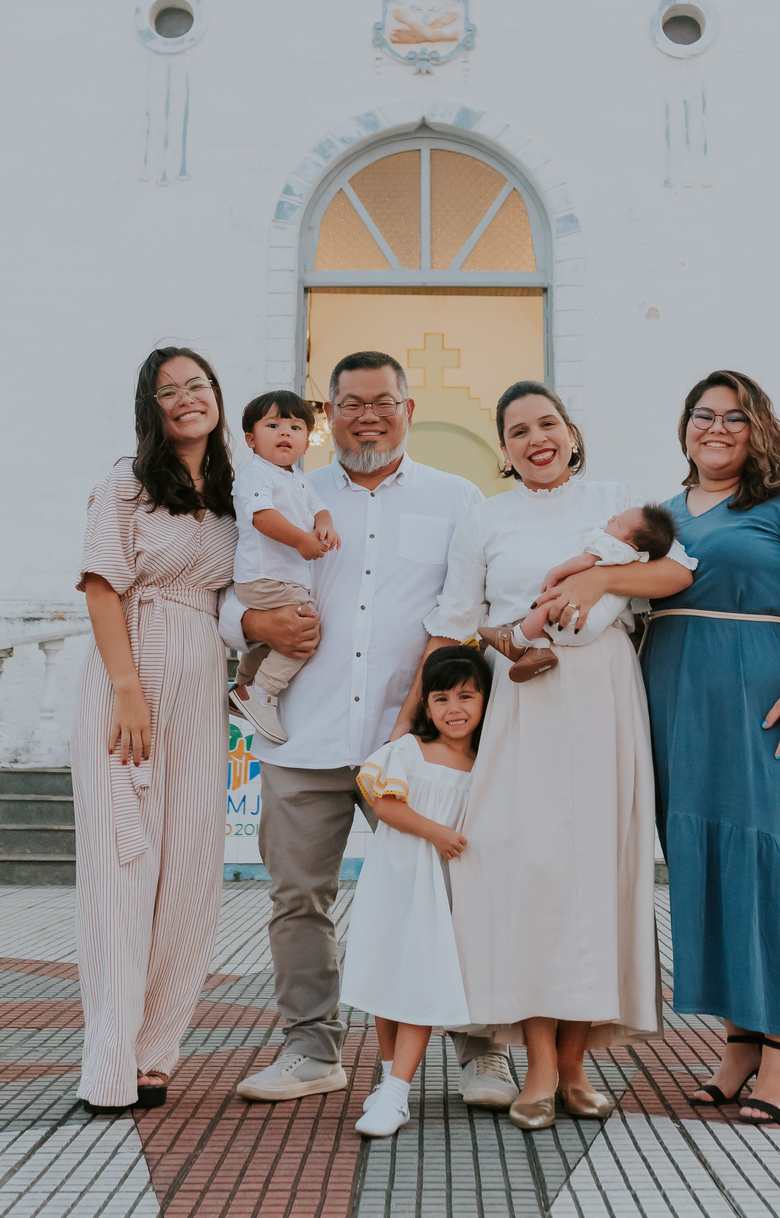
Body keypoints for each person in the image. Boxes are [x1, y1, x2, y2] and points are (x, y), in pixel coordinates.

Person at [228, 351, 516, 1111]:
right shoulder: (288, 493)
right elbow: (230, 596)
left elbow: (465, 613)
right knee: (298, 899)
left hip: (417, 744)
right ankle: (310, 1049)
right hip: (304, 735)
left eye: (382, 400)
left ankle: (481, 1048)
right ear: (329, 415)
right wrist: (254, 622)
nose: (368, 414)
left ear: (408, 409)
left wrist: (417, 709)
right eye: (350, 402)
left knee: (450, 892)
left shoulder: (458, 499)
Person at [415, 381, 695, 1131]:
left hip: (604, 701)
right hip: (521, 703)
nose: (535, 438)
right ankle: (537, 1060)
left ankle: (576, 1067)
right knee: (524, 873)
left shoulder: (616, 499)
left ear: (571, 432)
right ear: (503, 451)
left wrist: (602, 576)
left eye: (547, 424)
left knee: (597, 877)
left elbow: (675, 572)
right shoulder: (486, 517)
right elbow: (454, 623)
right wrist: (415, 727)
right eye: (517, 431)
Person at [641, 369, 780, 1126]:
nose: (716, 428)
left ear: (759, 429)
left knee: (771, 862)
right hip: (677, 705)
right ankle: (737, 1042)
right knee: (707, 868)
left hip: (764, 699)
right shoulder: (665, 515)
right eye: (702, 415)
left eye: (734, 418)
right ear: (685, 425)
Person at [72, 348, 237, 1115]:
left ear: (216, 396)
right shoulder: (126, 484)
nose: (185, 399)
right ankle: (108, 1060)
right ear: (152, 407)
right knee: (121, 868)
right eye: (168, 391)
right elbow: (102, 587)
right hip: (129, 676)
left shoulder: (239, 491)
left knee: (192, 869)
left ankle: (156, 1051)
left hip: (204, 684)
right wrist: (128, 689)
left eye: (196, 386)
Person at [342, 645, 493, 1138]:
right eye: (442, 697)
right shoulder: (409, 750)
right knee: (391, 982)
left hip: (445, 889)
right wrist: (436, 832)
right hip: (399, 878)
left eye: (467, 696)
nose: (455, 708)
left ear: (486, 700)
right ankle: (390, 1081)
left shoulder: (486, 761)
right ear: (425, 706)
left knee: (420, 982)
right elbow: (385, 807)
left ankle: (397, 1091)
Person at [224, 390, 340, 746]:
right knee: (305, 630)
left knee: (268, 639)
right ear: (251, 439)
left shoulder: (297, 478)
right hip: (265, 576)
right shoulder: (256, 474)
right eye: (273, 425)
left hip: (279, 578)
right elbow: (262, 518)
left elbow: (318, 505)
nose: (285, 433)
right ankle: (261, 692)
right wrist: (302, 541)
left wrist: (324, 523)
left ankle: (242, 685)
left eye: (295, 426)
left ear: (308, 440)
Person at [483, 500, 680, 681]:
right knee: (546, 626)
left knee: (541, 607)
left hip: (577, 616)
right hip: (588, 628)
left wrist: (555, 572)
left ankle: (516, 639)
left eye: (619, 523)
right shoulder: (636, 560)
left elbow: (585, 560)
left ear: (631, 544)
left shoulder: (613, 547)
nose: (612, 518)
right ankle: (540, 651)